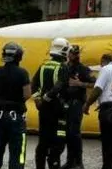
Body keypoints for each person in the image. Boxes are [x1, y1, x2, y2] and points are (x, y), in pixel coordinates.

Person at [0, 42, 32, 169]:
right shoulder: (22, 73)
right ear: (19, 56)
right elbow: (27, 94)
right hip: (16, 117)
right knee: (18, 155)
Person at [32, 37, 72, 169]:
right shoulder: (63, 67)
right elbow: (60, 85)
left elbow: (34, 85)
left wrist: (38, 100)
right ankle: (54, 164)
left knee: (43, 141)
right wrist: (47, 98)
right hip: (58, 110)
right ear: (64, 51)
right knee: (58, 141)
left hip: (43, 110)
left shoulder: (43, 66)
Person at [84, 54, 112, 169]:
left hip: (108, 110)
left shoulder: (105, 69)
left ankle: (107, 166)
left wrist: (87, 104)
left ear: (103, 61)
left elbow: (98, 89)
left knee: (107, 143)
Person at [62, 45, 94, 169]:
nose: (76, 55)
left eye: (77, 53)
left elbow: (95, 83)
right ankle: (70, 161)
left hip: (77, 103)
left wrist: (79, 83)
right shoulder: (64, 68)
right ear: (68, 54)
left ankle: (79, 162)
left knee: (74, 133)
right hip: (65, 103)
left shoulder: (83, 69)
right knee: (67, 133)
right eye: (73, 53)